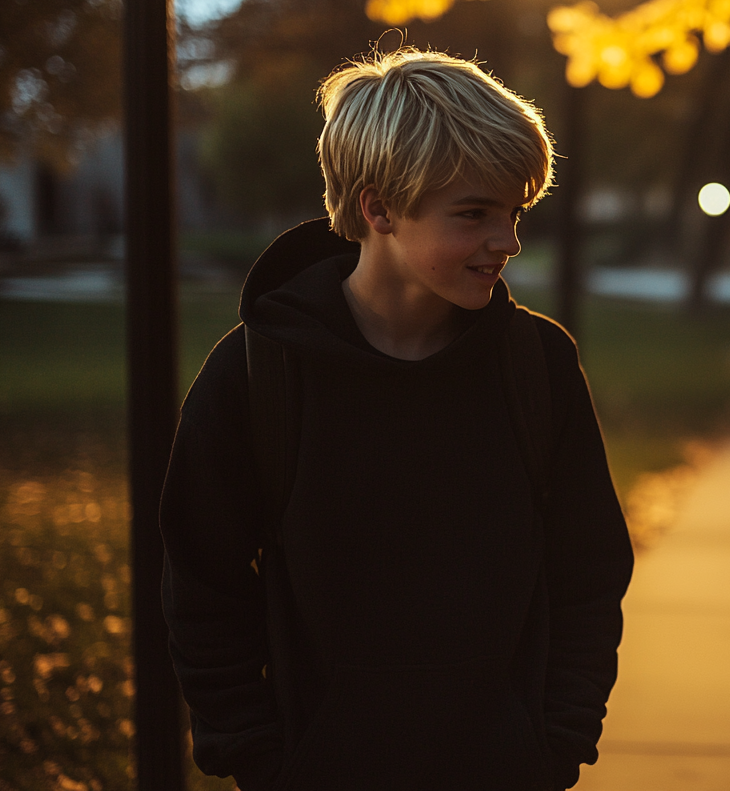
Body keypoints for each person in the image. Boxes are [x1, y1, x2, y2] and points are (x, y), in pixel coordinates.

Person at [160, 48, 634, 791]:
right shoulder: (258, 374)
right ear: (379, 209)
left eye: (513, 212)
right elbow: (202, 588)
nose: (506, 241)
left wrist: (557, 742)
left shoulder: (536, 367)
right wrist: (257, 757)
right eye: (473, 214)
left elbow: (589, 574)